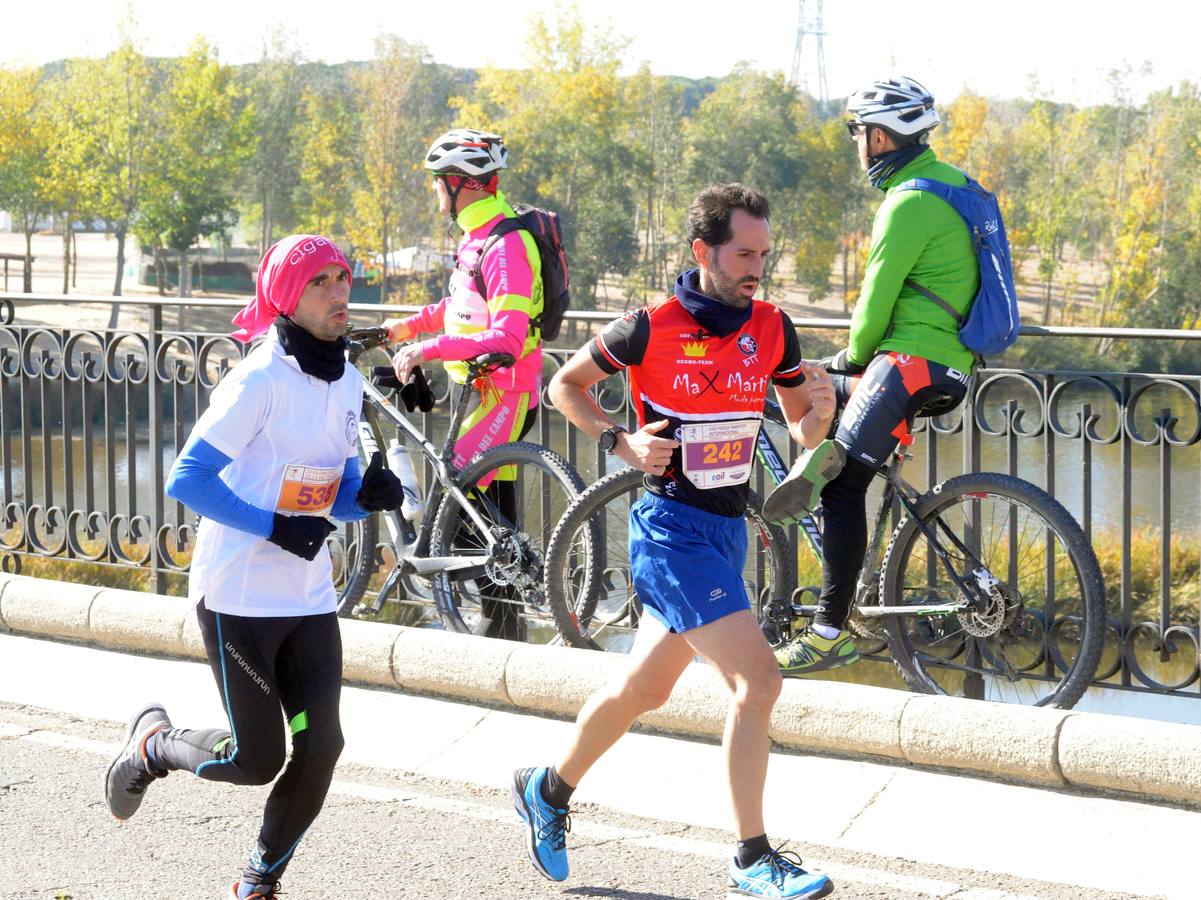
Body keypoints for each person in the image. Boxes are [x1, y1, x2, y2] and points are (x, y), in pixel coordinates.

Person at [514, 184, 836, 899]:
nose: (756, 266)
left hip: (727, 531)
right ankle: (752, 859)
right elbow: (563, 386)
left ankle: (547, 790)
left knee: (643, 688)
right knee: (759, 681)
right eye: (743, 253)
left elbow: (800, 434)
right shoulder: (649, 327)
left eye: (763, 253)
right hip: (668, 533)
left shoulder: (772, 327)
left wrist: (820, 412)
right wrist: (618, 440)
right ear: (703, 251)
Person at [104, 234, 406, 900]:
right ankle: (154, 745)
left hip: (308, 595)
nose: (338, 292)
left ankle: (259, 878)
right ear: (287, 296)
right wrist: (276, 526)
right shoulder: (259, 379)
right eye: (320, 282)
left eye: (343, 278)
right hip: (238, 597)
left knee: (321, 745)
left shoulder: (347, 380)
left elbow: (339, 493)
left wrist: (369, 498)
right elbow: (188, 479)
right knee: (255, 760)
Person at [764, 76, 980, 675]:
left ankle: (829, 630)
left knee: (842, 485)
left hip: (908, 362)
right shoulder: (956, 185)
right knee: (840, 442)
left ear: (879, 136)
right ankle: (851, 590)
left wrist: (845, 360)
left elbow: (874, 308)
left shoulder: (908, 200)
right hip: (950, 364)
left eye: (859, 133)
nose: (859, 144)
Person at [383, 128, 543, 642]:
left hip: (506, 390)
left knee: (456, 492)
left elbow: (508, 336)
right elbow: (459, 311)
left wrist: (425, 350)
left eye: (437, 183)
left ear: (461, 184)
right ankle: (501, 626)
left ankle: (512, 609)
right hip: (475, 389)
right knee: (492, 515)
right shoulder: (479, 238)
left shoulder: (507, 244)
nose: (434, 192)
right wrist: (404, 329)